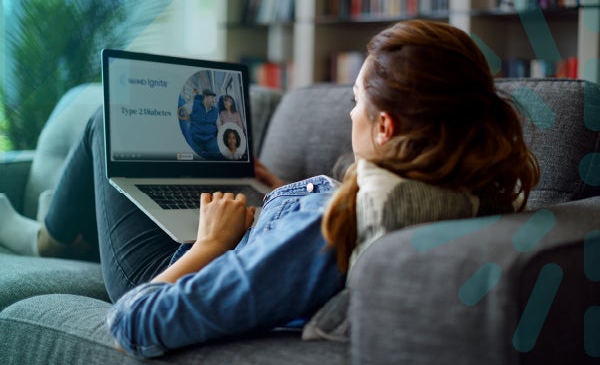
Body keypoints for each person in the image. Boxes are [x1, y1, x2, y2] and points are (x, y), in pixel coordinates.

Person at [0, 20, 539, 358]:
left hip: (177, 262)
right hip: (248, 226)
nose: (349, 113)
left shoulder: (325, 231)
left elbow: (135, 323)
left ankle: (49, 240)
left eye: (356, 103)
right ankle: (71, 235)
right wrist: (284, 193)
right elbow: (318, 230)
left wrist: (211, 242)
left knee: (102, 122)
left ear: (385, 128)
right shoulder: (466, 189)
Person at [189, 88, 221, 159]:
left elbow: (218, 125)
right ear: (205, 97)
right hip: (196, 139)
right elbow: (182, 113)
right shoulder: (194, 105)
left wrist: (221, 137)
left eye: (214, 98)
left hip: (210, 139)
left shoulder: (216, 111)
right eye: (212, 98)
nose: (214, 100)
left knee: (217, 154)